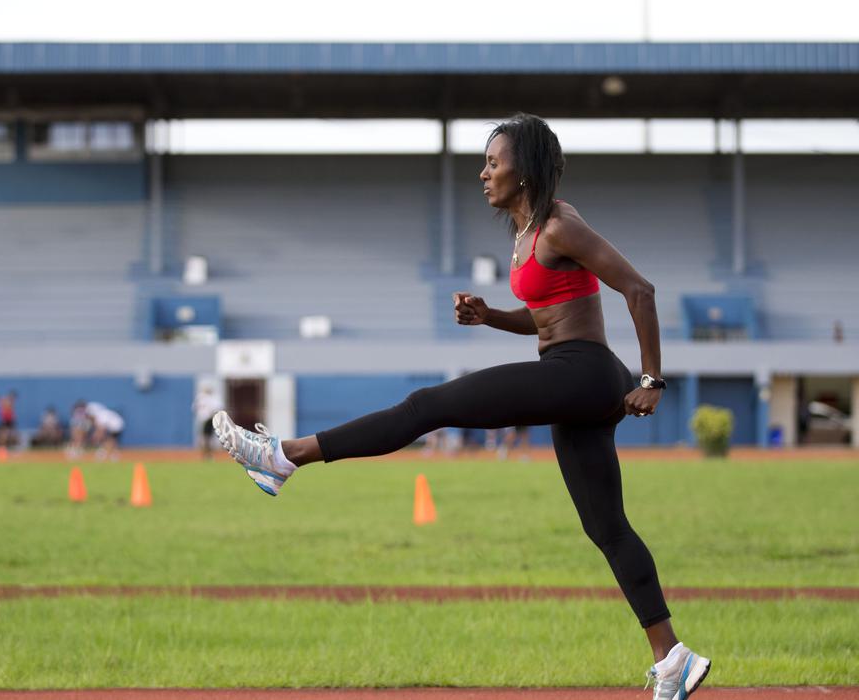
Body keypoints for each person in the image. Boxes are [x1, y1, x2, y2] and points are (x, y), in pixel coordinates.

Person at [211, 113, 710, 698]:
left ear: (523, 169)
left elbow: (639, 290)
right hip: (576, 380)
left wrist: (652, 378)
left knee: (428, 405)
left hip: (586, 374)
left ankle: (285, 455)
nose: (483, 173)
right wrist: (490, 316)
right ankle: (671, 657)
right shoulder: (526, 234)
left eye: (493, 163)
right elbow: (547, 317)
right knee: (607, 527)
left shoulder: (559, 226)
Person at [192, 384, 223, 460]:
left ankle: (207, 454)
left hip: (205, 419)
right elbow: (217, 409)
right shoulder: (209, 398)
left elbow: (194, 408)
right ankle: (207, 454)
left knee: (206, 437)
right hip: (207, 419)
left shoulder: (200, 398)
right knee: (207, 437)